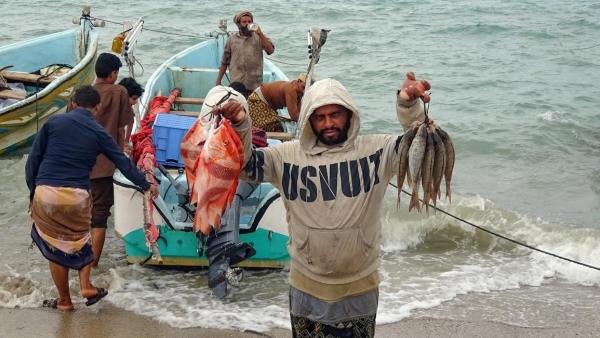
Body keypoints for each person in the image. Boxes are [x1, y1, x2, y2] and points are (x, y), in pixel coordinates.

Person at [204, 78, 424, 337]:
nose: (328, 123)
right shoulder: (286, 156)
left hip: (360, 286)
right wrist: (242, 123)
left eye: (335, 114)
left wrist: (408, 107)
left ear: (349, 113)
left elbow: (419, 147)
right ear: (308, 119)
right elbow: (243, 165)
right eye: (319, 117)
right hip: (306, 286)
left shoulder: (378, 150)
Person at [25, 85, 157, 311]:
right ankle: (86, 285)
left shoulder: (53, 123)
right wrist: (146, 184)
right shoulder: (98, 131)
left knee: (55, 247)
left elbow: (33, 162)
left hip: (45, 191)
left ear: (74, 103)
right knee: (82, 240)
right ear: (96, 108)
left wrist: (33, 194)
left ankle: (64, 301)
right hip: (77, 195)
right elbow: (122, 162)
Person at [89, 53, 132, 267]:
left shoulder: (81, 94)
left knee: (85, 213)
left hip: (79, 164)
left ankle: (76, 260)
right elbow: (122, 126)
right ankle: (92, 265)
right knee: (100, 216)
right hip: (105, 164)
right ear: (113, 74)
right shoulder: (119, 92)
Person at [215, 11, 275, 92]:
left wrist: (260, 33)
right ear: (238, 24)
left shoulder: (259, 37)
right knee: (238, 104)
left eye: (249, 21)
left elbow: (270, 50)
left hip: (255, 84)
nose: (247, 24)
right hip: (237, 83)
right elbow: (225, 61)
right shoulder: (231, 39)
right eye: (244, 22)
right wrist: (218, 81)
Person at [247, 73, 315, 132]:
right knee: (272, 127)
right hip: (258, 101)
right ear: (299, 81)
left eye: (307, 90)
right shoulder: (292, 90)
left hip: (268, 104)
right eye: (303, 87)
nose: (303, 91)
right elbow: (294, 116)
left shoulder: (298, 90)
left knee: (277, 126)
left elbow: (298, 111)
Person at [118, 77, 145, 154]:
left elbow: (131, 121)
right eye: (134, 99)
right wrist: (120, 146)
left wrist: (126, 141)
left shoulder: (128, 107)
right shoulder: (115, 108)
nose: (135, 102)